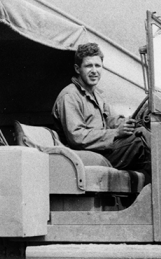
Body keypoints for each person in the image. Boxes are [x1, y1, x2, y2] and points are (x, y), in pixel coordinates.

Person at [53, 42, 151, 183]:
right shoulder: (69, 96)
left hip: (100, 151)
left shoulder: (97, 95)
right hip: (87, 156)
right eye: (88, 66)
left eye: (98, 66)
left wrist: (131, 122)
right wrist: (116, 133)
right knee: (140, 141)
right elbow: (77, 138)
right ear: (77, 69)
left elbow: (112, 120)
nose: (94, 71)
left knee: (143, 132)